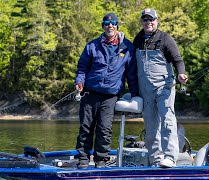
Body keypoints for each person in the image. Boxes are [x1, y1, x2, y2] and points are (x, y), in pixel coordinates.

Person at [74, 12, 138, 168]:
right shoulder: (92, 45)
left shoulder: (127, 47)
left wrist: (136, 95)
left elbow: (131, 74)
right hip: (89, 93)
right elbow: (82, 68)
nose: (110, 26)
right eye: (107, 23)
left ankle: (101, 159)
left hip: (110, 96)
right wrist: (79, 82)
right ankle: (83, 158)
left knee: (104, 129)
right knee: (86, 127)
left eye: (113, 23)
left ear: (117, 26)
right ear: (103, 26)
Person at [133, 8, 188, 168]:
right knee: (150, 125)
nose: (148, 22)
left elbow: (178, 60)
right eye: (145, 19)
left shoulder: (165, 39)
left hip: (164, 87)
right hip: (145, 90)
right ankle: (156, 160)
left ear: (157, 21)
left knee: (167, 121)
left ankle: (170, 157)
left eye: (151, 19)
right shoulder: (138, 39)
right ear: (142, 22)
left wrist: (181, 74)